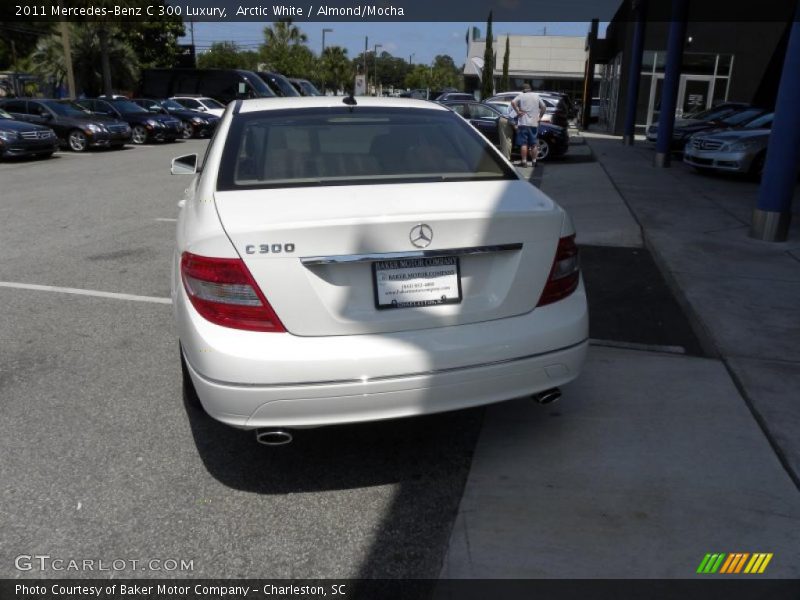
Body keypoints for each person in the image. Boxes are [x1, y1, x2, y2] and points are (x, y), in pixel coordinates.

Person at [510, 83, 546, 168]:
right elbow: (544, 107)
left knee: (523, 144)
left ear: (523, 90)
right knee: (534, 144)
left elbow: (513, 102)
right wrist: (540, 117)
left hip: (523, 123)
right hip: (534, 123)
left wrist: (518, 111)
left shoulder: (521, 95)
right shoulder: (537, 96)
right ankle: (534, 161)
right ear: (530, 89)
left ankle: (524, 162)